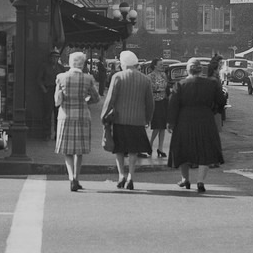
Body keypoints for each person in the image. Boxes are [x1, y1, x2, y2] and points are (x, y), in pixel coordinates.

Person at [167, 57, 225, 192]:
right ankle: (200, 181)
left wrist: (171, 122)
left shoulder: (180, 84)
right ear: (200, 70)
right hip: (205, 119)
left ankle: (185, 179)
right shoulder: (211, 84)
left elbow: (173, 105)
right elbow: (221, 101)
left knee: (183, 150)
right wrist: (213, 110)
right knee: (204, 150)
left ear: (188, 70)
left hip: (184, 119)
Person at [100, 50, 154, 190]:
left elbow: (110, 99)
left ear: (123, 64)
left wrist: (104, 115)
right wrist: (147, 118)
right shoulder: (145, 79)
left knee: (119, 149)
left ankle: (121, 176)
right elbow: (150, 103)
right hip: (137, 120)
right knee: (133, 151)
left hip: (119, 119)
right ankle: (131, 176)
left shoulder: (117, 77)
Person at [54, 51, 100, 191]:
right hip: (82, 115)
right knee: (79, 151)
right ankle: (76, 177)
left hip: (65, 116)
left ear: (70, 61)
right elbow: (96, 98)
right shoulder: (88, 78)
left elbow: (57, 100)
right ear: (83, 63)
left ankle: (70, 177)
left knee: (67, 150)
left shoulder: (61, 77)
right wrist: (86, 100)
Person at [37, 50, 66, 139]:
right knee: (47, 113)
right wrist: (44, 89)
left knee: (58, 113)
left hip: (58, 91)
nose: (55, 59)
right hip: (48, 90)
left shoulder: (61, 68)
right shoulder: (45, 66)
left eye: (57, 57)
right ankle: (46, 133)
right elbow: (39, 79)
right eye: (53, 57)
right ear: (50, 58)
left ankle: (58, 134)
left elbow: (64, 80)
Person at [147, 58, 170, 158]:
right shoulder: (150, 76)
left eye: (163, 64)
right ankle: (150, 145)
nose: (162, 66)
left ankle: (160, 148)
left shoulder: (164, 75)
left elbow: (166, 87)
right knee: (156, 126)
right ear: (155, 65)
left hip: (163, 101)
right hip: (155, 102)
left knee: (163, 127)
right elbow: (151, 88)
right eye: (160, 64)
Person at [208, 56, 227, 125]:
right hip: (214, 109)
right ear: (215, 70)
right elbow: (219, 98)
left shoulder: (211, 79)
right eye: (218, 68)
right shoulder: (214, 80)